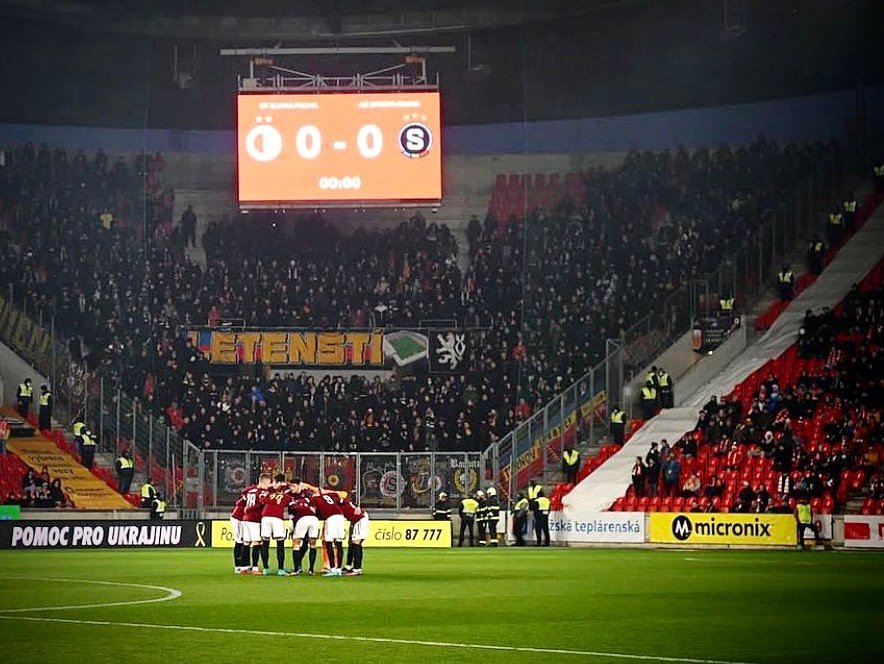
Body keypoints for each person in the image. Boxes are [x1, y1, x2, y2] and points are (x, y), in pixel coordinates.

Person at [307, 488, 347, 577]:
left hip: (331, 518)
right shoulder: (329, 496)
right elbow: (341, 498)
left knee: (328, 542)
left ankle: (332, 569)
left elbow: (312, 511)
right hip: (340, 516)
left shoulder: (314, 499)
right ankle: (339, 569)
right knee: (339, 543)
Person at [259, 474, 293, 576]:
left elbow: (262, 500)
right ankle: (281, 569)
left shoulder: (269, 494)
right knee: (280, 544)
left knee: (265, 543)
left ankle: (265, 568)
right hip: (277, 518)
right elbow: (290, 502)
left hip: (265, 517)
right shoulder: (286, 496)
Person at [241, 474, 273, 574]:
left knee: (246, 542)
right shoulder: (262, 492)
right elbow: (261, 503)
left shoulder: (250, 491)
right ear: (264, 482)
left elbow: (243, 493)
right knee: (257, 542)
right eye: (269, 483)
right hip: (254, 519)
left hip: (245, 519)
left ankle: (243, 567)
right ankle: (255, 567)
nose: (269, 485)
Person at [289, 493, 320, 576]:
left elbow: (291, 515)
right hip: (314, 519)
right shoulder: (307, 501)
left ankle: (296, 569)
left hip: (302, 519)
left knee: (296, 544)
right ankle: (311, 570)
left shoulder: (292, 503)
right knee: (313, 544)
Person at [341, 495, 370, 576]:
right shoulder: (344, 503)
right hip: (355, 520)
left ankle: (357, 569)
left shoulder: (340, 502)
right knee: (352, 543)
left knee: (356, 542)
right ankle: (349, 566)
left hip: (359, 519)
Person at [230, 496, 248, 574]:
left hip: (243, 520)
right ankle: (237, 567)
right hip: (237, 519)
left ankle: (244, 565)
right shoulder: (248, 495)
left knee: (244, 542)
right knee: (239, 542)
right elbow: (238, 503)